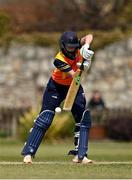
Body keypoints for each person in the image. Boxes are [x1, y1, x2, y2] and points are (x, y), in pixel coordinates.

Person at [21, 31, 94, 164]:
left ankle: (81, 155)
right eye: (69, 47)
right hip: (56, 87)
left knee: (83, 118)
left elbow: (89, 35)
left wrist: (86, 46)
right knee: (45, 118)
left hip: (74, 86)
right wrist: (85, 64)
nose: (72, 49)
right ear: (63, 46)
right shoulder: (59, 59)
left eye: (74, 46)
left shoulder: (77, 47)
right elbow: (74, 74)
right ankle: (28, 153)